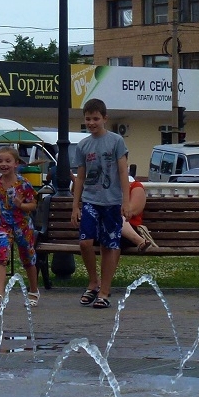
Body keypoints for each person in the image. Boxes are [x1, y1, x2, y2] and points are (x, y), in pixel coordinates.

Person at [70, 98, 129, 310]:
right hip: (90, 200)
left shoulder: (116, 142)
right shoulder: (83, 145)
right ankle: (93, 282)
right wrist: (75, 206)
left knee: (109, 245)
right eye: (88, 119)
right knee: (85, 242)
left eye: (96, 118)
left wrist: (126, 201)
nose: (92, 123)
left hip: (112, 202)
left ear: (105, 118)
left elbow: (123, 172)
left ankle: (104, 290)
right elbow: (80, 177)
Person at [0, 145, 40, 308]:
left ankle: (34, 290)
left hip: (23, 226)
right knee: (1, 254)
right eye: (0, 161)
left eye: (7, 161)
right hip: (4, 225)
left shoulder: (23, 183)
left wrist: (21, 205)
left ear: (16, 164)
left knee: (28, 258)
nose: (3, 164)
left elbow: (33, 204)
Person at [121, 173, 156, 251]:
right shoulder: (105, 189)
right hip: (105, 229)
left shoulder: (135, 186)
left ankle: (139, 240)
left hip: (130, 229)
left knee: (113, 215)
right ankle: (140, 242)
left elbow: (132, 211)